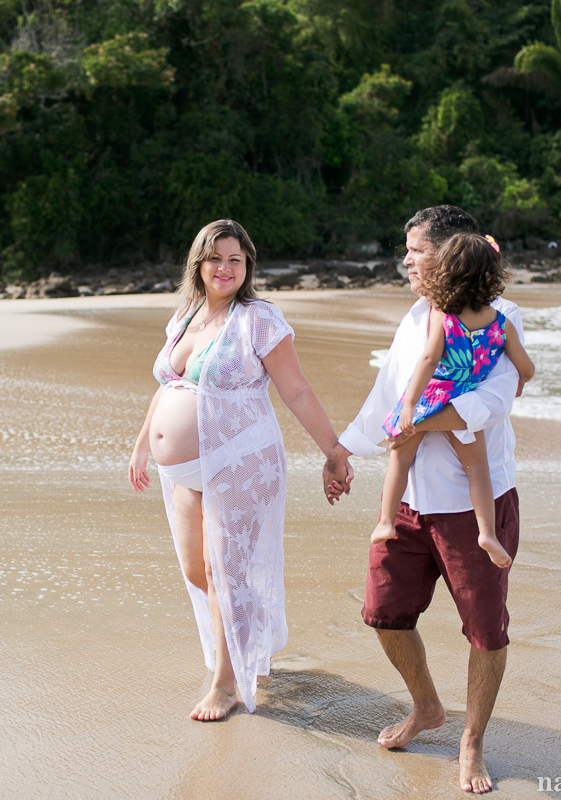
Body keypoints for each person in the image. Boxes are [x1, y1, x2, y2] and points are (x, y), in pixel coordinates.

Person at [322, 205, 523, 795]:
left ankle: (472, 743)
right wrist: (343, 453)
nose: (405, 259)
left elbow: (499, 396)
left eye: (417, 250)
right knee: (383, 613)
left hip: (474, 503)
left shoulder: (499, 314)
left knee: (485, 631)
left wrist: (419, 423)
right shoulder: (414, 318)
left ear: (453, 251)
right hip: (408, 500)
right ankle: (428, 706)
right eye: (405, 249)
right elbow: (386, 396)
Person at [129, 219, 345, 721]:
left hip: (241, 462)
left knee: (227, 571)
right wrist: (143, 444)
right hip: (185, 470)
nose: (224, 268)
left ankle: (225, 683)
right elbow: (169, 386)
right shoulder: (185, 316)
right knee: (197, 570)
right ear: (198, 264)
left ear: (247, 266)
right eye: (215, 258)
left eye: (236, 260)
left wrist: (332, 450)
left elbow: (296, 390)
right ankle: (248, 638)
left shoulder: (258, 319)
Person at [372, 232, 534, 574]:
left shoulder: (444, 316)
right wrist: (519, 380)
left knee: (400, 455)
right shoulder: (501, 323)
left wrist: (409, 406)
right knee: (478, 469)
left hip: (436, 394)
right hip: (467, 402)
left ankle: (386, 521)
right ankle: (487, 533)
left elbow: (428, 359)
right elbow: (527, 367)